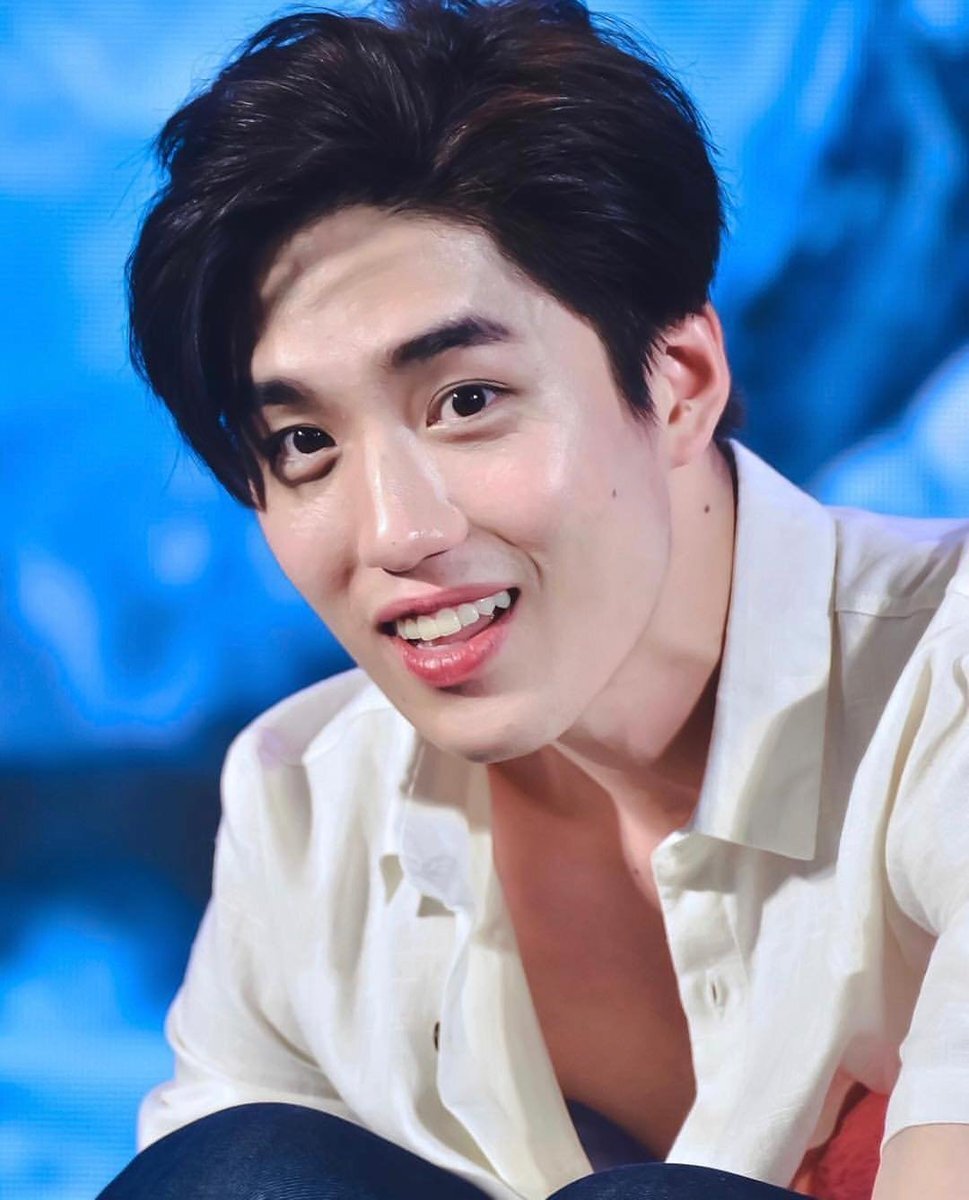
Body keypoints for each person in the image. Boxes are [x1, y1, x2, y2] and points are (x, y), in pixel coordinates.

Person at [100, 1, 969, 1197]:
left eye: (466, 401)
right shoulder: (307, 805)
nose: (395, 532)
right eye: (305, 443)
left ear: (681, 382)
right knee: (239, 1174)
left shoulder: (945, 681)